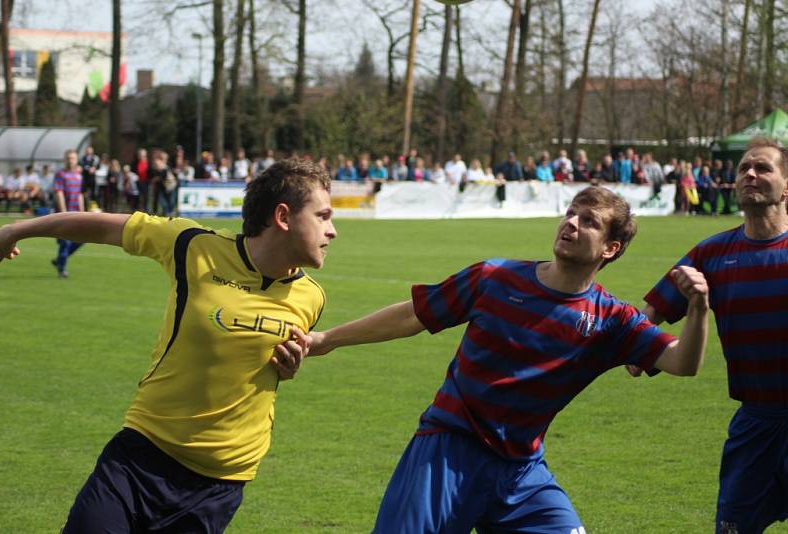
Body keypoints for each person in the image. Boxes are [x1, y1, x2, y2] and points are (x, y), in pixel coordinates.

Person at [284, 186, 710, 533]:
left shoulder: (612, 320)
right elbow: (415, 315)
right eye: (571, 213)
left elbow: (682, 363)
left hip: (522, 471)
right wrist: (329, 339)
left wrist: (696, 310)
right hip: (448, 451)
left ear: (611, 248)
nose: (571, 223)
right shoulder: (495, 278)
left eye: (589, 221)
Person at [0, 158, 335, 532]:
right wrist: (16, 230)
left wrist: (289, 368)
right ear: (283, 216)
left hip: (219, 486)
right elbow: (102, 226)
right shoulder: (192, 245)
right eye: (323, 216)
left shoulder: (311, 298)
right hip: (140, 458)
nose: (332, 231)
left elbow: (258, 363)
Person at [633, 137, 788, 534]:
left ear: (786, 185)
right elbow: (646, 320)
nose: (750, 174)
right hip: (754, 425)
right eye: (743, 169)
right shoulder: (712, 254)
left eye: (764, 168)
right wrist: (635, 351)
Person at [52, 149, 85, 278]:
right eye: (68, 158)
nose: (71, 160)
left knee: (83, 238)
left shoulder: (79, 175)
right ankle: (62, 270)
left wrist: (83, 212)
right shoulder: (61, 174)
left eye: (73, 158)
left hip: (76, 214)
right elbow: (59, 192)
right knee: (65, 242)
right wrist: (64, 212)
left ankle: (59, 260)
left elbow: (79, 195)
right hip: (64, 214)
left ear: (76, 160)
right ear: (64, 160)